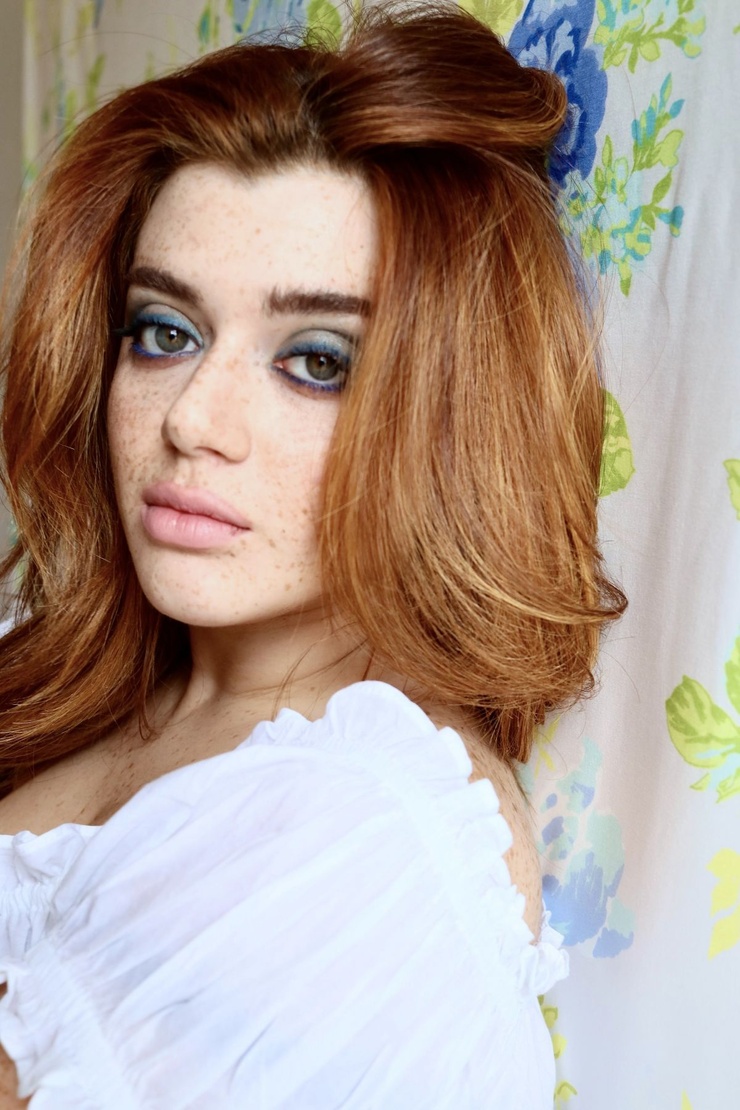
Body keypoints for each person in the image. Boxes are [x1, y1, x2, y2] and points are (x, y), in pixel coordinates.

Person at [0, 5, 625, 1106]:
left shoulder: (366, 847)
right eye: (164, 331)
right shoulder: (67, 668)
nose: (192, 418)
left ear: (452, 420)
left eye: (317, 361)